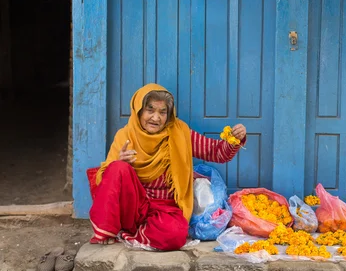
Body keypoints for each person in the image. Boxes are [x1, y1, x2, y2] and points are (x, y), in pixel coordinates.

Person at [86, 83, 246, 251]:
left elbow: (217, 153)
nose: (156, 118)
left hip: (166, 209)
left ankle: (133, 234)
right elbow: (104, 179)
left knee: (176, 235)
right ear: (138, 111)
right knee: (117, 168)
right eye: (150, 110)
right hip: (134, 205)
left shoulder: (180, 132)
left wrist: (235, 139)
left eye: (162, 112)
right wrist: (120, 162)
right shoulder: (125, 135)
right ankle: (108, 231)